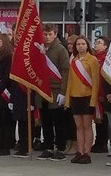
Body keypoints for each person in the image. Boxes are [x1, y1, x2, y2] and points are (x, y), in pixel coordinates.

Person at [65, 36, 100, 164]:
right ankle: (79, 151)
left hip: (87, 97)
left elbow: (96, 82)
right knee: (78, 126)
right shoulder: (73, 61)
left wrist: (93, 101)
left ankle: (87, 152)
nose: (80, 46)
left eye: (82, 44)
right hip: (75, 97)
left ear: (87, 46)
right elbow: (70, 81)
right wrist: (67, 99)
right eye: (78, 44)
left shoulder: (92, 60)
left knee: (87, 126)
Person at [38, 25, 70, 161]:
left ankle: (60, 148)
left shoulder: (60, 49)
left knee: (58, 122)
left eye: (50, 34)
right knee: (45, 121)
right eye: (45, 34)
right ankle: (48, 147)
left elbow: (65, 71)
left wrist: (63, 92)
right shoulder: (40, 48)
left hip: (56, 90)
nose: (47, 37)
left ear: (55, 34)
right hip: (42, 90)